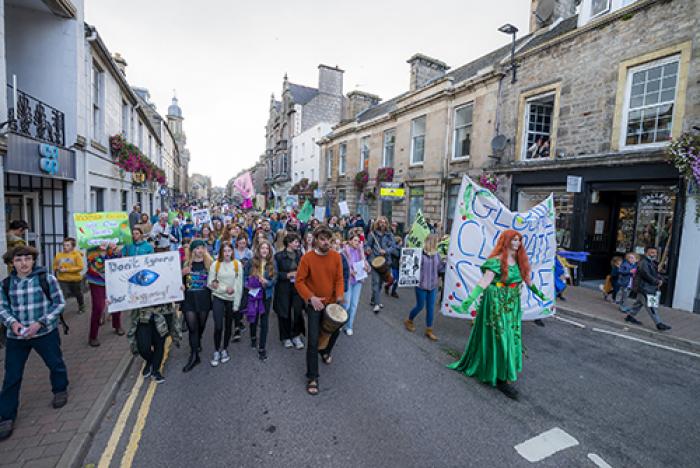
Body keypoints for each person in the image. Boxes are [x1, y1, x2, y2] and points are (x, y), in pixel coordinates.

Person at [448, 230, 549, 400]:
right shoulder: (495, 261)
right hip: (496, 303)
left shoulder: (519, 262)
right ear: (506, 241)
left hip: (512, 305)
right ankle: (503, 379)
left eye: (519, 240)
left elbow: (527, 281)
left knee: (511, 339)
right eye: (514, 240)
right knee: (501, 339)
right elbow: (484, 282)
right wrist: (469, 300)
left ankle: (501, 371)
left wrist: (541, 295)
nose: (517, 243)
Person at [0, 246, 68, 441]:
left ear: (33, 261)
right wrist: (12, 323)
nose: (24, 263)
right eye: (19, 260)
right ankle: (6, 415)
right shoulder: (6, 284)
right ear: (12, 262)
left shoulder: (46, 279)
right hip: (17, 337)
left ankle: (60, 390)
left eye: (27, 259)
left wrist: (41, 322)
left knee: (55, 364)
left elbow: (59, 303)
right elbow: (2, 307)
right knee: (12, 376)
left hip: (44, 332)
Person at [295, 226, 345, 396]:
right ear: (316, 239)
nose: (326, 242)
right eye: (322, 239)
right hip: (314, 304)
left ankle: (325, 351)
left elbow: (339, 278)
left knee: (336, 328)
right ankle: (312, 377)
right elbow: (299, 281)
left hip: (331, 303)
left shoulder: (336, 257)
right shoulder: (307, 258)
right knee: (313, 340)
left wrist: (339, 296)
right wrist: (311, 298)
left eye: (328, 239)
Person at [207, 243, 243, 367]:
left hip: (231, 299)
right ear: (221, 252)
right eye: (225, 251)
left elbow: (239, 286)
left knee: (228, 325)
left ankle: (224, 349)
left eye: (229, 250)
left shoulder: (237, 265)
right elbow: (210, 283)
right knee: (218, 325)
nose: (227, 253)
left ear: (233, 252)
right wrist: (224, 289)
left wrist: (236, 305)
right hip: (218, 297)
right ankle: (216, 350)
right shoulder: (215, 265)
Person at [404, 234, 445, 341]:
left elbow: (440, 269)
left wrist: (447, 264)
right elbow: (410, 266)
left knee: (431, 308)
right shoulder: (420, 254)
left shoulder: (437, 255)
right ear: (431, 242)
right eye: (436, 241)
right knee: (420, 306)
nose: (438, 243)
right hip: (421, 285)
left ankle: (429, 330)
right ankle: (409, 320)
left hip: (433, 286)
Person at [620, 247, 671, 331]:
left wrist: (660, 279)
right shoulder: (643, 263)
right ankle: (659, 323)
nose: (654, 254)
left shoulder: (651, 262)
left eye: (655, 253)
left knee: (638, 304)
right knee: (651, 306)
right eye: (651, 252)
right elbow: (646, 274)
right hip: (644, 288)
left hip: (645, 287)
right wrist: (657, 281)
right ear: (646, 253)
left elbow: (655, 273)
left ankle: (630, 317)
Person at [181, 240, 213, 372]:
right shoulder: (187, 264)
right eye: (197, 248)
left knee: (201, 326)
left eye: (202, 248)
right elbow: (180, 283)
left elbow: (216, 279)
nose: (199, 250)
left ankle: (197, 341)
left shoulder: (210, 264)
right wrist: (182, 277)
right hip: (189, 300)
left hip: (204, 299)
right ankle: (194, 356)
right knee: (192, 328)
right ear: (192, 250)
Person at [244, 240, 277, 361]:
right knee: (254, 317)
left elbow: (275, 278)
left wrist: (268, 283)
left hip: (266, 295)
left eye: (267, 249)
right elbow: (243, 276)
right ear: (258, 250)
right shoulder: (251, 262)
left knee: (264, 320)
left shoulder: (272, 262)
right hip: (253, 294)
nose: (264, 250)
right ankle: (253, 337)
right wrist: (248, 284)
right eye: (262, 248)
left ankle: (262, 347)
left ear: (269, 251)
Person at [86, 243, 123, 346]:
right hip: (97, 281)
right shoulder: (91, 248)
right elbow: (98, 264)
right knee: (98, 307)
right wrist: (102, 251)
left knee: (116, 302)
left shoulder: (114, 245)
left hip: (113, 279)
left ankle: (117, 325)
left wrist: (115, 250)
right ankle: (93, 336)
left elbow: (118, 261)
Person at [273, 233, 305, 349]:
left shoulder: (299, 254)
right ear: (289, 243)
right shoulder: (278, 256)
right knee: (284, 312)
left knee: (297, 311)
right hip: (283, 288)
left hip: (297, 287)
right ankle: (285, 337)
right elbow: (274, 273)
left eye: (298, 242)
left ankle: (296, 335)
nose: (298, 244)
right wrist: (287, 275)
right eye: (296, 242)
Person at [365, 217, 398, 313]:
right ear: (377, 224)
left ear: (387, 224)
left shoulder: (390, 235)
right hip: (374, 261)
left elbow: (393, 246)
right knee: (375, 282)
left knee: (380, 283)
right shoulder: (372, 234)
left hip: (386, 262)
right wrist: (367, 249)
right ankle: (376, 303)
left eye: (384, 222)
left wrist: (386, 251)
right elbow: (368, 245)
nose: (382, 224)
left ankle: (373, 299)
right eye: (380, 222)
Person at [341, 233, 370, 336]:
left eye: (358, 241)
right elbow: (342, 266)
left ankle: (349, 326)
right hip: (348, 281)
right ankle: (339, 322)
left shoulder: (360, 252)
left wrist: (367, 268)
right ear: (349, 241)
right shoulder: (344, 251)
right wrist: (350, 271)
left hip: (358, 281)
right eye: (355, 240)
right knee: (346, 305)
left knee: (354, 305)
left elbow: (366, 265)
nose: (357, 243)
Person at [53, 237, 85, 314]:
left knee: (78, 294)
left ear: (73, 246)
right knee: (62, 296)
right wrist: (58, 268)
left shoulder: (76, 255)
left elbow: (80, 267)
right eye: (64, 245)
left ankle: (81, 306)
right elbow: (54, 266)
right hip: (62, 280)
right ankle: (60, 313)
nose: (65, 247)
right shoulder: (58, 255)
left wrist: (67, 270)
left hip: (75, 280)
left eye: (67, 245)